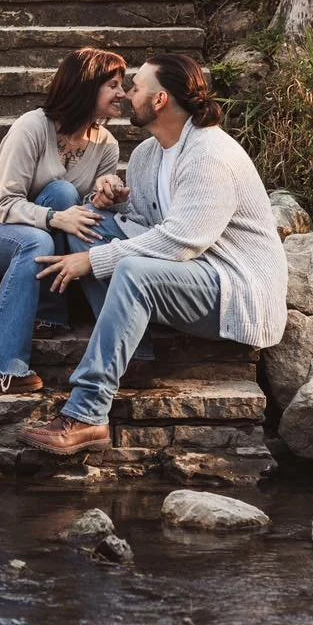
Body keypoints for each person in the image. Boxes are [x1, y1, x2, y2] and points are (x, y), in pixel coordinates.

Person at [17, 53, 288, 453]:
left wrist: (92, 261)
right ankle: (135, 352)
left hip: (235, 287)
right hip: (190, 274)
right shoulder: (148, 154)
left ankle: (88, 413)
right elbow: (148, 221)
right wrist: (113, 203)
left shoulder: (210, 154)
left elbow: (182, 240)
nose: (126, 94)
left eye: (136, 86)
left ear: (160, 100)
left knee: (134, 272)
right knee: (87, 220)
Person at [0, 48, 128, 393]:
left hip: (38, 224)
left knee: (61, 191)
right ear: (86, 87)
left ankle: (48, 311)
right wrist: (54, 217)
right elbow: (4, 203)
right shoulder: (32, 126)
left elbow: (83, 206)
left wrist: (104, 198)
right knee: (38, 239)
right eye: (114, 85)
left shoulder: (106, 144)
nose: (122, 93)